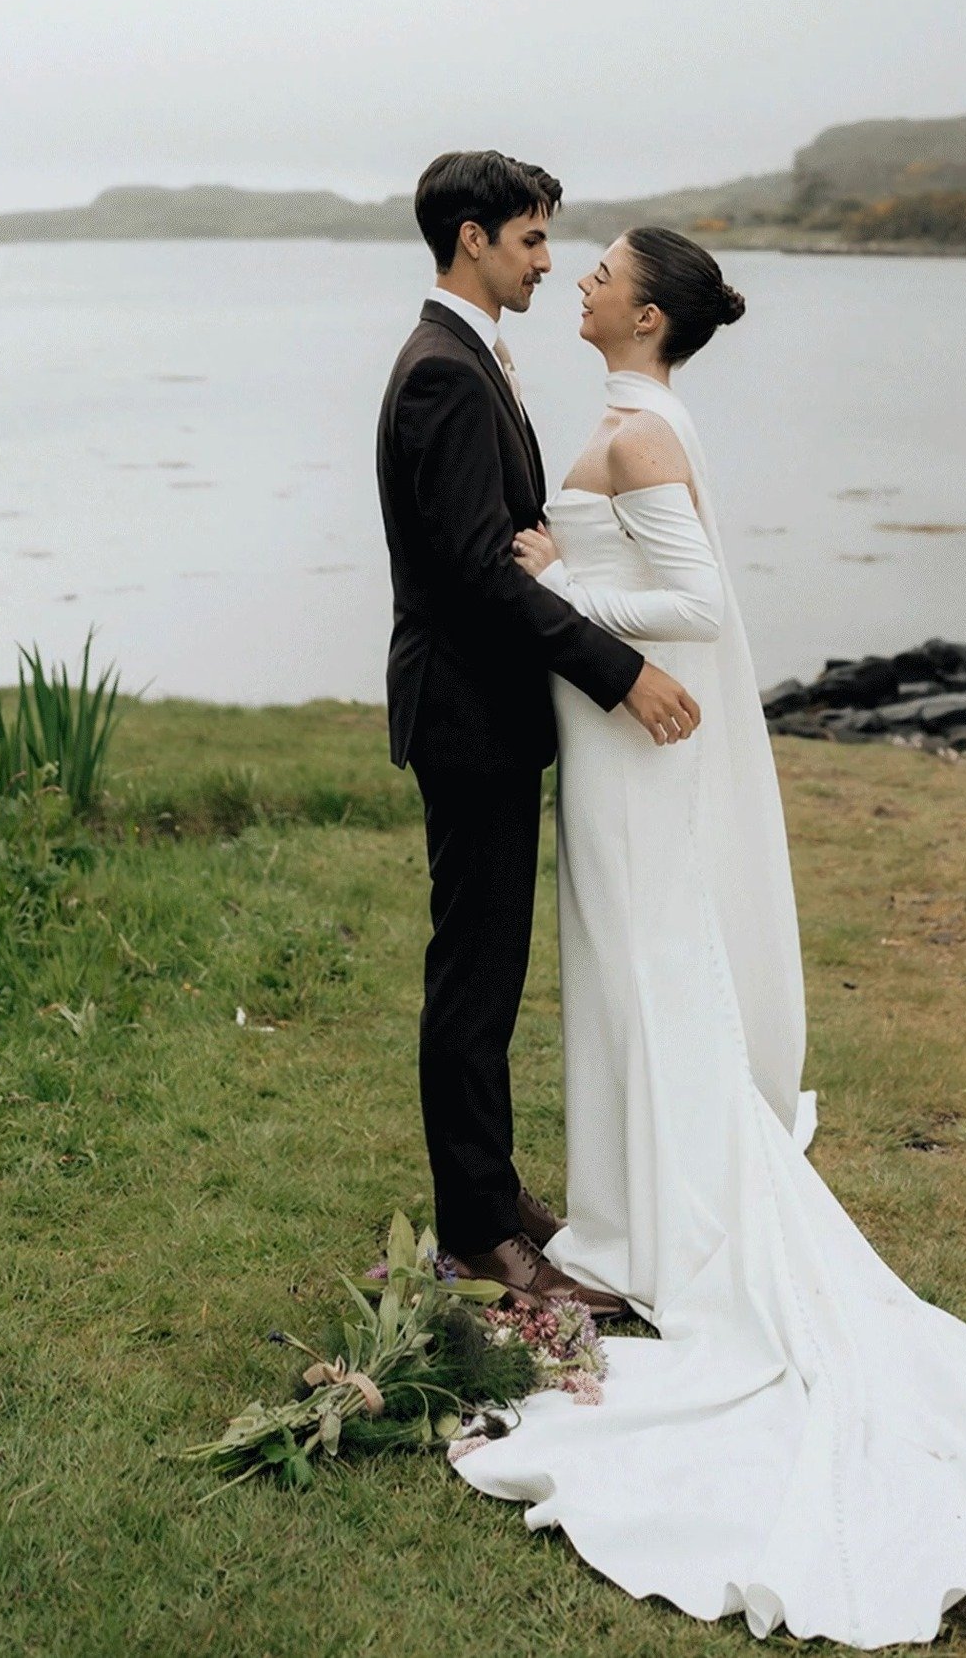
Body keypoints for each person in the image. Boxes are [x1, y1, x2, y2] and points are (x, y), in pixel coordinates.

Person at [450, 225, 966, 1647]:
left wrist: (560, 586)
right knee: (631, 982)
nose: (578, 277)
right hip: (622, 746)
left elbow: (692, 603)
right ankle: (630, 1215)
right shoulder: (637, 411)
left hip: (634, 748)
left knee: (644, 975)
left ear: (643, 313)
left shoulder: (638, 432)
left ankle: (661, 1227)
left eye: (601, 269)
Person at [375, 153, 702, 1322]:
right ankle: (474, 1231)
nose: (547, 261)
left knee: (489, 975)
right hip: (468, 719)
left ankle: (495, 1196)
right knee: (471, 980)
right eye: (529, 241)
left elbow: (505, 548)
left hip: (490, 715)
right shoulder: (442, 375)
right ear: (472, 240)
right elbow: (472, 573)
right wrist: (619, 672)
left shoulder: (469, 357)